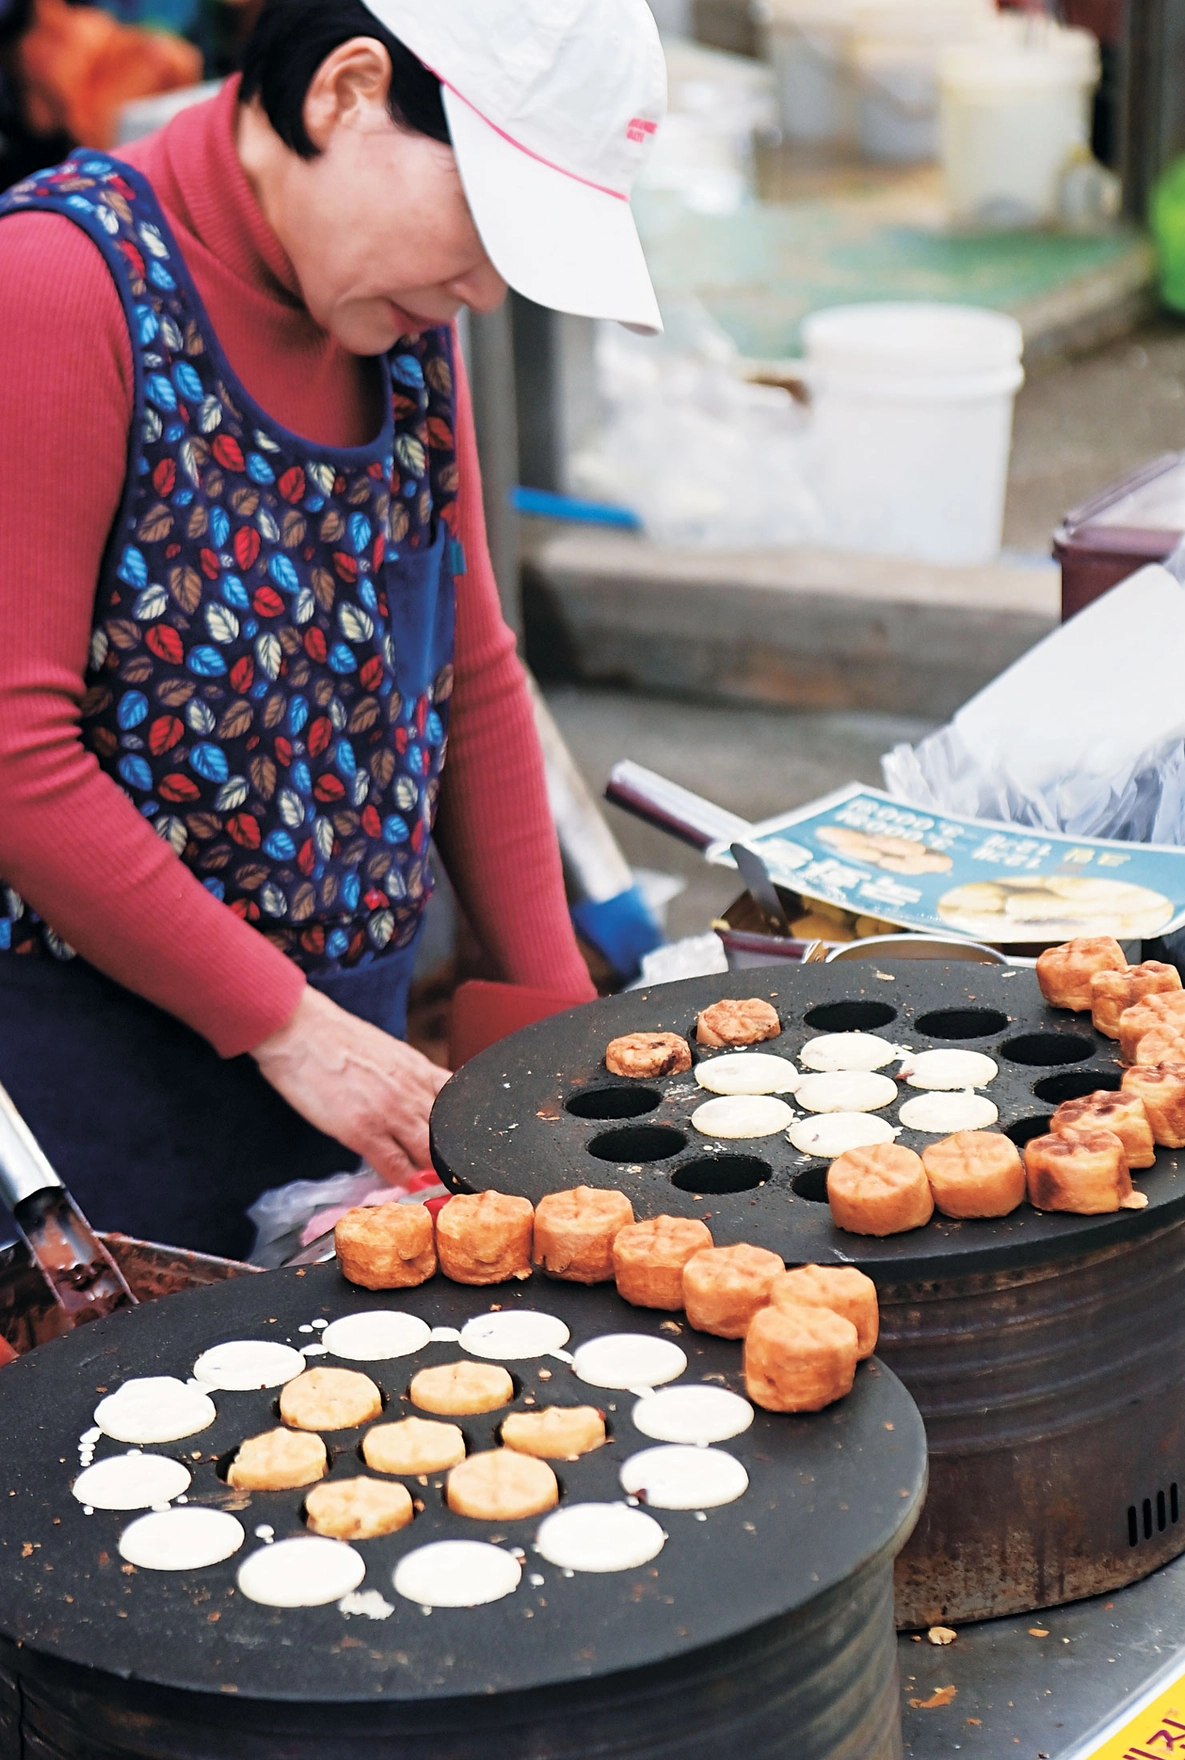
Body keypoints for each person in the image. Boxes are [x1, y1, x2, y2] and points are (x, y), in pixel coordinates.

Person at [0, 0, 666, 1257]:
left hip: (349, 1071)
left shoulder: (401, 324)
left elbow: (471, 674)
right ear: (346, 91)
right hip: (96, 1102)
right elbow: (14, 753)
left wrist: (561, 1057)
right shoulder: (57, 285)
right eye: (485, 226)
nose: (483, 288)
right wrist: (286, 1024)